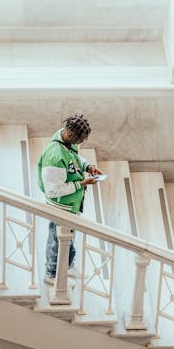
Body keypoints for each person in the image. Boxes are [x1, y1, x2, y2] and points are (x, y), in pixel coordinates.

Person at [37, 113, 103, 285]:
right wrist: (82, 183)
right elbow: (53, 190)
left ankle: (68, 264)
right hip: (60, 207)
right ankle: (50, 273)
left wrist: (88, 166)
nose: (80, 144)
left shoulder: (65, 139)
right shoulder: (54, 155)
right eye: (79, 140)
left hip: (71, 205)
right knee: (56, 240)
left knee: (70, 236)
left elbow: (74, 158)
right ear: (70, 134)